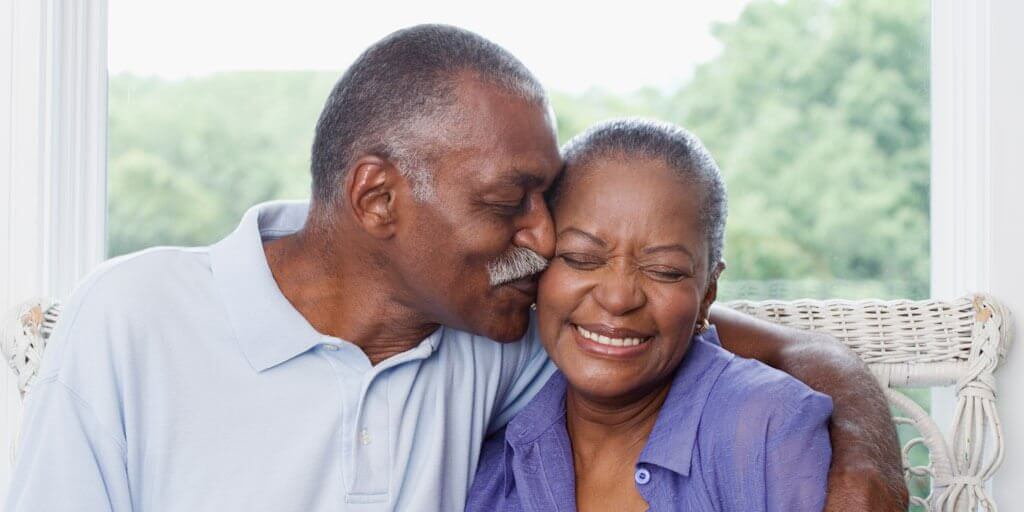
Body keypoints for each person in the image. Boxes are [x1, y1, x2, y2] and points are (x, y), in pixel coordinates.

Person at [6, 25, 905, 511]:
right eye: (510, 200)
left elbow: (734, 340)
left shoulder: (495, 331)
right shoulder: (134, 316)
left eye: (547, 200)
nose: (544, 238)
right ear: (378, 197)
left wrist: (867, 453)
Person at [467, 119, 831, 511]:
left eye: (664, 271)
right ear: (538, 271)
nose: (618, 298)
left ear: (708, 293)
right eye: (581, 258)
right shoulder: (490, 458)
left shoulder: (767, 430)